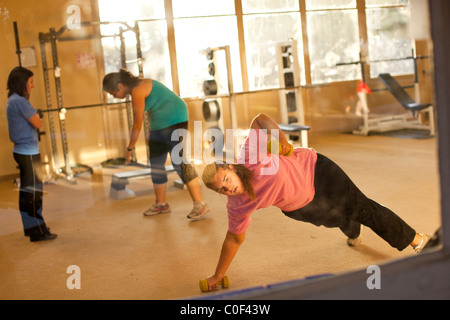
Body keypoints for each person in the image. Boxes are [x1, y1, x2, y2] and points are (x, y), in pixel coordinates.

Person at [201, 113, 431, 291]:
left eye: (227, 180)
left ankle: (418, 240)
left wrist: (282, 142)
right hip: (298, 206)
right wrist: (218, 275)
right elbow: (234, 238)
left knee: (363, 209)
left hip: (318, 171)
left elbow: (260, 119)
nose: (228, 188)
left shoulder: (250, 155)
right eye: (221, 189)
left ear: (231, 167)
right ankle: (351, 229)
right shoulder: (237, 205)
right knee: (334, 219)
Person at [102, 69, 209, 219]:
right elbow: (151, 110)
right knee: (156, 164)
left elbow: (137, 123)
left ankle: (200, 204)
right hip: (158, 125)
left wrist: (130, 147)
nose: (114, 96)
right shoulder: (136, 89)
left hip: (176, 119)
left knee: (180, 162)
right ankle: (161, 204)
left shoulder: (137, 90)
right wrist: (151, 133)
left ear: (120, 86)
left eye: (113, 93)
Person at [6, 66, 57, 242]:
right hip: (27, 153)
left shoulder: (13, 100)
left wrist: (36, 115)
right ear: (22, 83)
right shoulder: (20, 101)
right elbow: (37, 123)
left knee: (27, 192)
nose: (32, 86)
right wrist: (38, 116)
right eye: (30, 82)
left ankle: (31, 228)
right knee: (33, 192)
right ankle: (37, 230)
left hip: (24, 151)